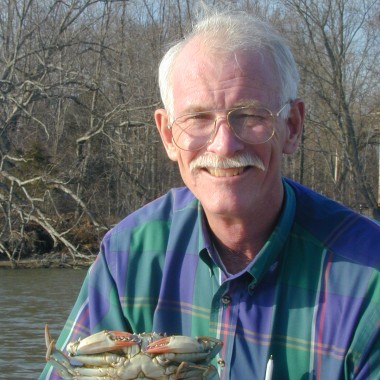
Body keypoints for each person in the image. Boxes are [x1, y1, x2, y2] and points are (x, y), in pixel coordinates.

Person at [40, 9, 380, 380]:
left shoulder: (369, 281)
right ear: (169, 135)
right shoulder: (127, 257)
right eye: (198, 118)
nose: (224, 144)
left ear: (293, 127)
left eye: (250, 115)